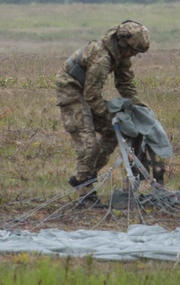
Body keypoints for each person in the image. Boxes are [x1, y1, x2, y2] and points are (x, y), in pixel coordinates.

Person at [55, 19, 151, 206]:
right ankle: (84, 189)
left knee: (111, 132)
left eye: (136, 53)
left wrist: (140, 108)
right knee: (88, 143)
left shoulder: (121, 55)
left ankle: (88, 175)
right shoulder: (102, 59)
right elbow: (92, 95)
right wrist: (112, 116)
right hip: (71, 90)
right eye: (132, 51)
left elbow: (125, 85)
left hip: (87, 92)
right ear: (122, 42)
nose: (132, 55)